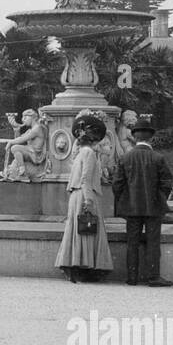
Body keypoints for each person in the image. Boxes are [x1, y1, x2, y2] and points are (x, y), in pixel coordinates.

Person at [112, 115, 173, 287]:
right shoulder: (158, 158)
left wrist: (124, 200)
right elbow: (166, 182)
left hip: (131, 208)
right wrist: (159, 198)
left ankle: (132, 277)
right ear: (150, 137)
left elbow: (117, 184)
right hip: (153, 207)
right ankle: (153, 277)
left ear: (135, 136)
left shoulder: (125, 158)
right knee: (153, 242)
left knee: (132, 242)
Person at [54, 113, 113, 283]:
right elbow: (86, 178)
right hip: (85, 194)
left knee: (77, 230)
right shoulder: (89, 154)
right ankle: (82, 267)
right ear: (95, 139)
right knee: (86, 231)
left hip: (77, 194)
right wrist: (88, 200)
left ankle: (74, 265)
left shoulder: (80, 153)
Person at [1, 109, 51, 181]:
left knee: (15, 148)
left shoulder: (37, 128)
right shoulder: (30, 130)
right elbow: (19, 139)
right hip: (30, 151)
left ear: (33, 117)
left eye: (25, 117)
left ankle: (22, 170)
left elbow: (23, 139)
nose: (23, 120)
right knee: (16, 151)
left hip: (36, 155)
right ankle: (21, 172)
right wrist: (17, 130)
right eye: (22, 118)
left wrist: (11, 142)